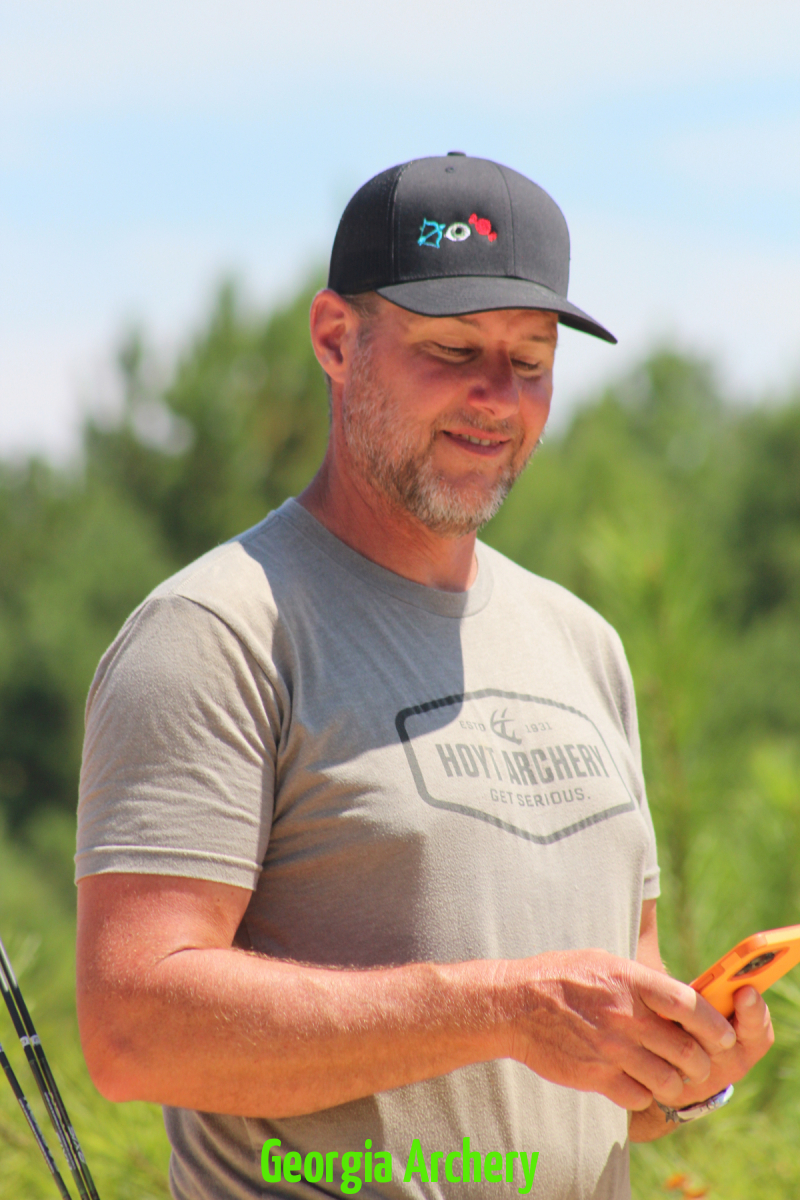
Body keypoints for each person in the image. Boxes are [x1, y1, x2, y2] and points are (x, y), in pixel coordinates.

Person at [75, 154, 773, 1200]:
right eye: (451, 350)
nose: (496, 398)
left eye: (530, 360)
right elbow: (135, 1031)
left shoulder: (585, 644)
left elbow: (597, 1072)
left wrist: (683, 1069)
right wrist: (503, 1009)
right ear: (334, 340)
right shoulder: (216, 632)